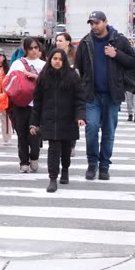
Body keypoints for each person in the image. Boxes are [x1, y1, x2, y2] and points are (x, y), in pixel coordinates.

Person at [74, 11, 135, 181]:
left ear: (105, 22)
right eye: (91, 23)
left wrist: (116, 54)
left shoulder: (119, 40)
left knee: (109, 131)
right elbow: (79, 69)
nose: (94, 26)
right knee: (92, 128)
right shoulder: (86, 42)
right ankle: (92, 163)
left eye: (97, 23)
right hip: (92, 95)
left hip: (112, 94)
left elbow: (134, 61)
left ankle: (104, 166)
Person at [30, 48, 87, 192]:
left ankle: (65, 169)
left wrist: (80, 117)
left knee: (66, 148)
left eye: (60, 59)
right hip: (49, 119)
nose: (57, 61)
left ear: (64, 61)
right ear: (50, 60)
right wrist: (34, 123)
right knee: (53, 148)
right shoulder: (43, 77)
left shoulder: (72, 76)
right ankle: (52, 178)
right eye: (54, 59)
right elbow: (37, 101)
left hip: (68, 119)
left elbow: (79, 99)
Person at [3, 36, 45, 173]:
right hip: (20, 104)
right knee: (22, 134)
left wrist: (35, 77)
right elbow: (9, 81)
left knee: (34, 135)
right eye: (30, 48)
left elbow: (51, 84)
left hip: (37, 105)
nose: (34, 51)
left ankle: (34, 156)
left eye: (36, 48)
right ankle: (24, 162)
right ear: (25, 49)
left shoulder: (44, 65)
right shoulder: (18, 63)